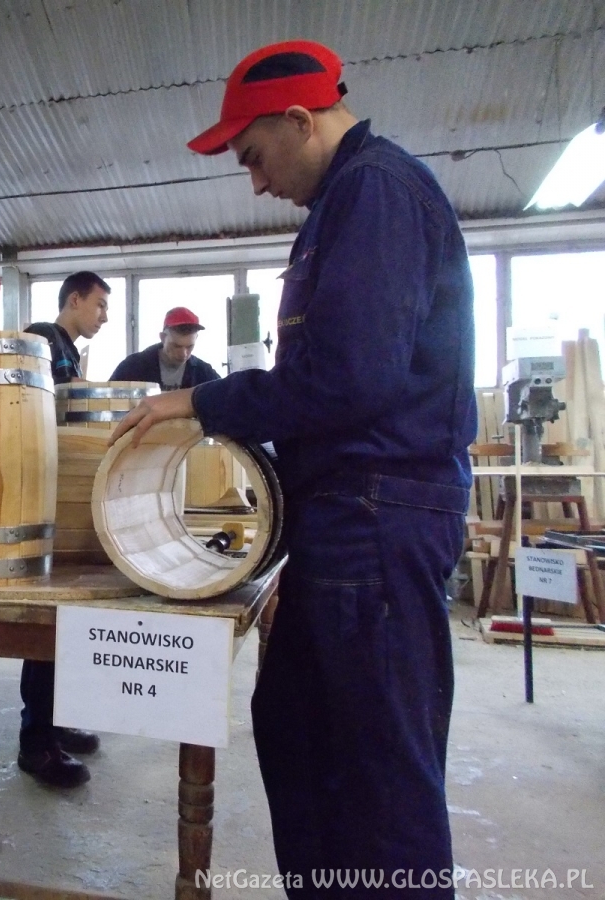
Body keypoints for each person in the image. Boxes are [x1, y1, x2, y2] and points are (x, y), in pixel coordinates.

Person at [112, 40, 475, 897]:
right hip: (345, 514)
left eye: (253, 155)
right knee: (298, 729)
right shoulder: (345, 203)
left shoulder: (376, 191)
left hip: (378, 515)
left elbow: (351, 378)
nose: (255, 181)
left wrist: (203, 402)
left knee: (379, 769)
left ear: (300, 119)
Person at [17, 270, 110, 788]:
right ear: (74, 299)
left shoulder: (68, 349)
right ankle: (36, 743)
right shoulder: (42, 338)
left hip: (65, 490)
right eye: (99, 305)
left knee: (66, 626)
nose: (103, 316)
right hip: (46, 492)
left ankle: (53, 722)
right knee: (46, 625)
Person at [109, 306, 221, 390]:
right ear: (162, 337)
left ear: (196, 338)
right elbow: (108, 401)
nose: (183, 354)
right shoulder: (132, 366)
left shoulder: (204, 372)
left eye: (190, 346)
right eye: (176, 346)